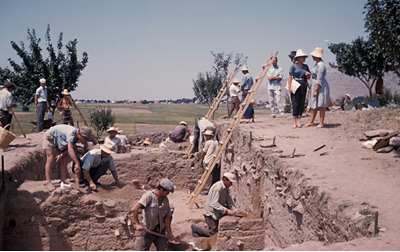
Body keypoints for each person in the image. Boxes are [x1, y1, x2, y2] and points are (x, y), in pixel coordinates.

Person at [42, 124, 93, 191]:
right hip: (50, 136)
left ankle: (63, 179)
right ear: (79, 133)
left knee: (65, 158)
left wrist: (61, 155)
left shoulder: (77, 137)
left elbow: (69, 148)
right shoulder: (71, 133)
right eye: (83, 138)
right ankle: (48, 182)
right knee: (50, 158)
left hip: (60, 139)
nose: (83, 140)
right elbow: (70, 150)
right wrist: (77, 163)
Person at [132, 178, 175, 251]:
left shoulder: (165, 199)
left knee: (163, 249)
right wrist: (138, 224)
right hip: (147, 231)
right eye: (167, 192)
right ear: (161, 189)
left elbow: (167, 217)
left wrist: (169, 233)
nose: (168, 193)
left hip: (160, 232)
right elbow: (134, 209)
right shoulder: (149, 196)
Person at [191, 172, 237, 237]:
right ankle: (195, 227)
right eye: (230, 182)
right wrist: (226, 210)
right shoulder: (218, 188)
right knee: (213, 233)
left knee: (218, 229)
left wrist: (234, 209)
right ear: (224, 180)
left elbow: (228, 199)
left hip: (217, 211)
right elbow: (214, 204)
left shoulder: (225, 188)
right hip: (211, 213)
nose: (231, 184)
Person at [307, 47, 330, 128]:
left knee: (321, 104)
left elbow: (319, 78)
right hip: (314, 83)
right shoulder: (316, 64)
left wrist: (316, 90)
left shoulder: (321, 65)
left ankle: (321, 122)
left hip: (320, 85)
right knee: (314, 104)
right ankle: (311, 121)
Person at [287, 49, 311, 128]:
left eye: (304, 57)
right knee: (295, 102)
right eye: (302, 57)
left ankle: (299, 120)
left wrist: (307, 75)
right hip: (295, 84)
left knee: (301, 102)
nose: (304, 58)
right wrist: (289, 86)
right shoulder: (293, 66)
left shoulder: (306, 66)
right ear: (298, 58)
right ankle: (294, 121)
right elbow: (290, 76)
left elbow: (308, 78)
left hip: (303, 84)